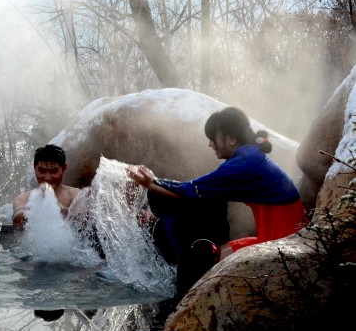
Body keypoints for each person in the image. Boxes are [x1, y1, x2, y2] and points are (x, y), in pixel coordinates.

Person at [127, 107, 306, 293]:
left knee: (200, 259)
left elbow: (192, 190)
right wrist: (154, 183)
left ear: (231, 139)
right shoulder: (249, 158)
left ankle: (181, 311)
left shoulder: (243, 165)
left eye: (213, 137)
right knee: (213, 254)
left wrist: (152, 182)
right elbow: (198, 191)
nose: (210, 144)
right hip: (277, 240)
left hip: (282, 248)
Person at [12, 144, 81, 231]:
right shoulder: (23, 198)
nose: (47, 177)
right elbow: (17, 222)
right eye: (42, 171)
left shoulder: (74, 194)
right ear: (34, 168)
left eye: (53, 171)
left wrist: (58, 207)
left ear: (64, 169)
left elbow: (84, 221)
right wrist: (33, 209)